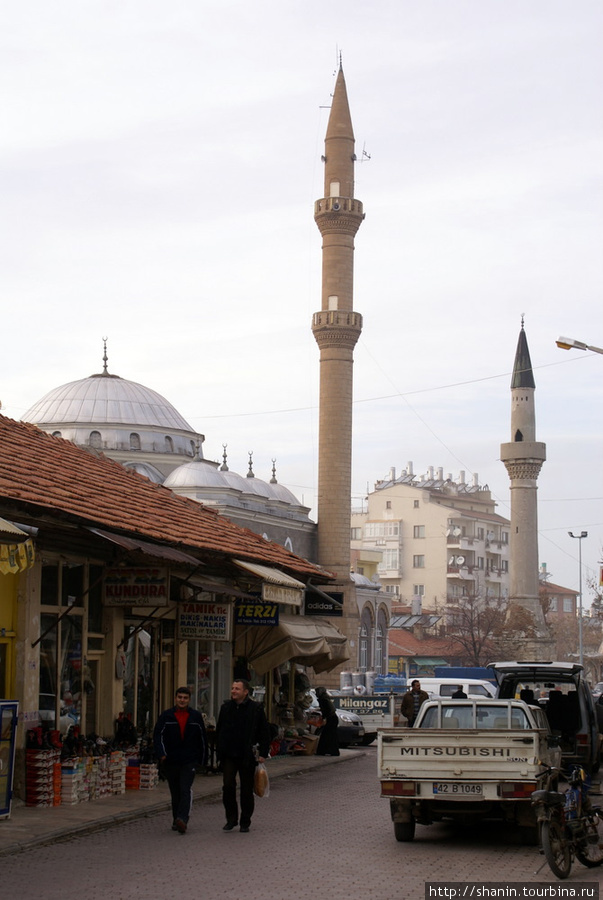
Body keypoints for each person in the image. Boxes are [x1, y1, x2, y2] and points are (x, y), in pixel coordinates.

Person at [216, 679, 271, 833]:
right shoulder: (226, 707)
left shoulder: (256, 709)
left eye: (237, 689)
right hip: (229, 754)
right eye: (232, 688)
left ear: (245, 692)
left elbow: (264, 732)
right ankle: (231, 819)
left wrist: (263, 753)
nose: (233, 691)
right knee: (228, 786)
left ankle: (245, 820)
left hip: (247, 755)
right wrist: (219, 750)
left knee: (246, 789)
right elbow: (220, 729)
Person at [153, 686, 207, 835]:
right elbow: (158, 735)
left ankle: (183, 818)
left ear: (189, 700)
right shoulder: (166, 716)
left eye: (185, 698)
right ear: (175, 698)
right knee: (175, 791)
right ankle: (176, 819)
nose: (182, 700)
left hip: (189, 760)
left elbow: (202, 739)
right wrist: (162, 754)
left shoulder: (195, 717)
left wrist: (202, 759)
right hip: (171, 759)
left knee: (185, 789)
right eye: (180, 697)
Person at [315, 686, 340, 756]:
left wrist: (323, 718)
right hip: (333, 718)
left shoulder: (323, 699)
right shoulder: (326, 698)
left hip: (331, 719)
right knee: (331, 735)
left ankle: (323, 751)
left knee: (327, 735)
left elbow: (326, 711)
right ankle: (332, 751)